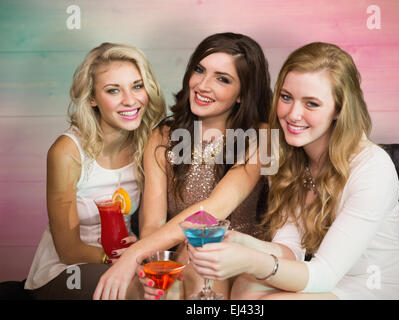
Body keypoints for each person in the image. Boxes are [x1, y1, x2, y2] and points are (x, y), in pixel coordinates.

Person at [187, 42, 399, 300]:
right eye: (286, 97)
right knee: (246, 286)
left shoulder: (372, 167)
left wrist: (251, 261)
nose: (293, 114)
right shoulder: (289, 158)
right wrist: (238, 241)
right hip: (329, 283)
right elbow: (289, 250)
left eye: (312, 104)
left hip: (382, 288)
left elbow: (324, 273)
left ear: (339, 109)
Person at [93, 32, 272, 300]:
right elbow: (152, 225)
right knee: (173, 274)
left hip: (247, 257)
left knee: (205, 256)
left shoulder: (261, 137)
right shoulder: (162, 136)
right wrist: (149, 257)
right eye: (199, 70)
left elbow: (212, 210)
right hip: (187, 256)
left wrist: (135, 253)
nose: (202, 85)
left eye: (222, 79)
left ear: (242, 94)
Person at [24, 42, 166, 299]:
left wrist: (140, 252)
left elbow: (151, 224)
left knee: (167, 289)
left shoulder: (147, 144)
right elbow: (68, 250)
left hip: (127, 260)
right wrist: (122, 260)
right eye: (113, 90)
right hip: (68, 269)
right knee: (139, 294)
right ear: (92, 98)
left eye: (137, 85)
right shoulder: (67, 152)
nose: (130, 100)